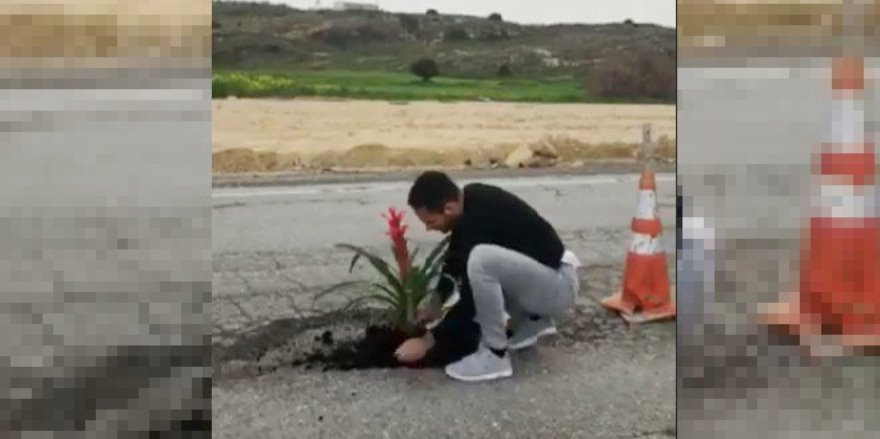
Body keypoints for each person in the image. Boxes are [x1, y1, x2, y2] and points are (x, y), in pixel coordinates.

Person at [394, 171, 581, 382]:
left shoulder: (479, 218)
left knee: (481, 260)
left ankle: (495, 355)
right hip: (543, 283)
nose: (428, 229)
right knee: (481, 263)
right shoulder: (470, 202)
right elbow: (454, 261)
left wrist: (427, 341)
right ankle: (531, 322)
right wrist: (434, 305)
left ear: (449, 208)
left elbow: (471, 298)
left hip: (559, 286)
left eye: (431, 221)